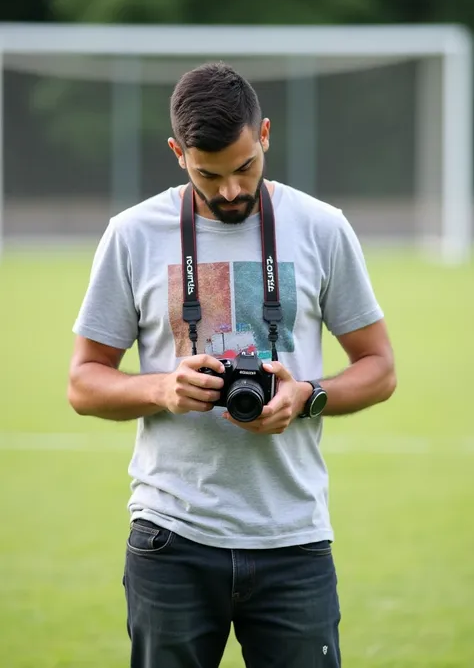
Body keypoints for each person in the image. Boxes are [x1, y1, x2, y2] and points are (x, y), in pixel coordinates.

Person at [68, 61, 396, 668]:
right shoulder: (132, 234)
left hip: (292, 536)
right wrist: (163, 388)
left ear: (265, 134)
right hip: (171, 536)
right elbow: (84, 383)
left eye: (245, 167)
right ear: (176, 152)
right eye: (207, 174)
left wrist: (308, 397)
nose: (229, 191)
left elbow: (379, 366)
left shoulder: (322, 228)